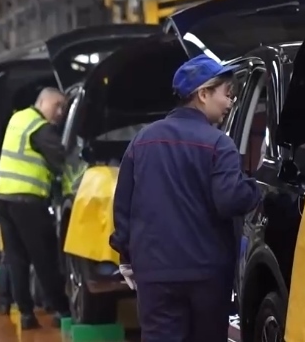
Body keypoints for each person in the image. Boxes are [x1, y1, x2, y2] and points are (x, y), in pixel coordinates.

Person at [109, 54, 262, 342]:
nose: (230, 103)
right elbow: (230, 199)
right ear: (203, 94)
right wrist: (254, 188)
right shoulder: (219, 143)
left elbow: (123, 205)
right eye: (226, 94)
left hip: (154, 272)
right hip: (206, 274)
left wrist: (126, 255)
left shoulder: (142, 140)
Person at [0, 87, 72, 329]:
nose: (60, 112)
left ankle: (26, 314)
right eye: (57, 105)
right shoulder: (40, 127)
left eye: (63, 108)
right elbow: (61, 160)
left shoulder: (18, 118)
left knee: (16, 258)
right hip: (26, 201)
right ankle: (62, 309)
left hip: (3, 198)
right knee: (44, 257)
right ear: (43, 101)